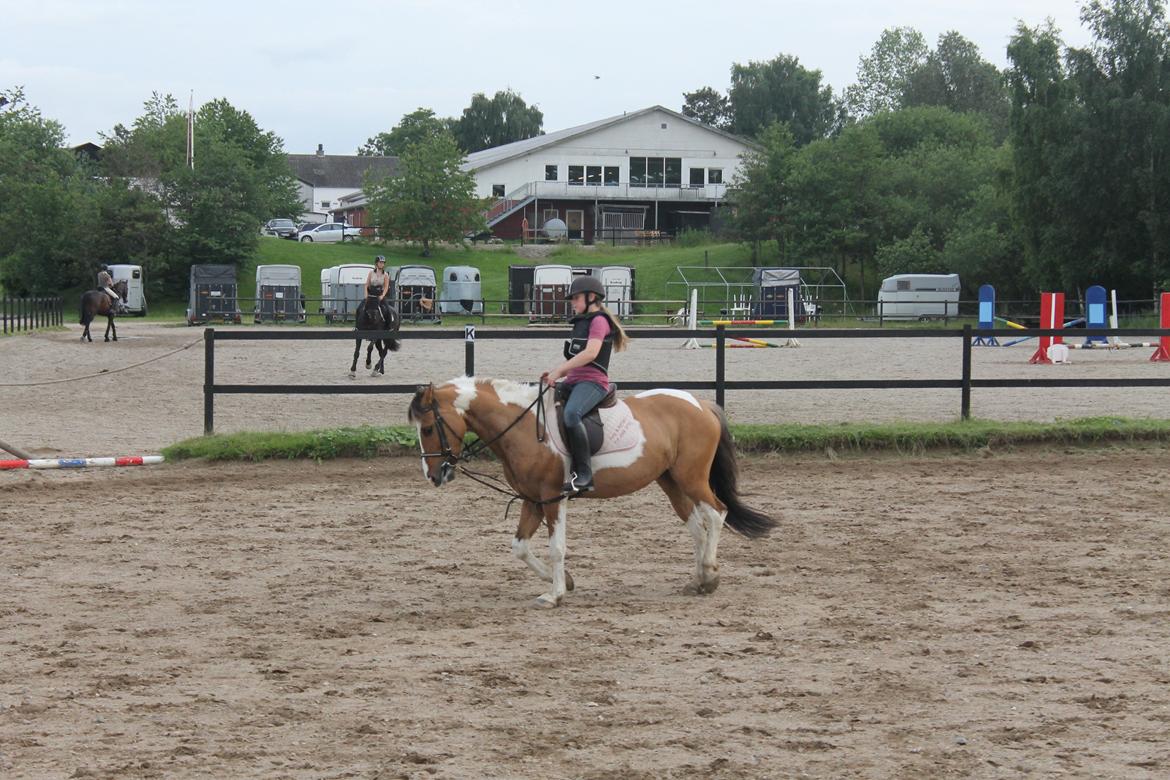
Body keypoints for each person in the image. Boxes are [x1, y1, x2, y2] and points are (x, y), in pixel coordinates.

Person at [541, 276, 629, 495]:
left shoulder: (599, 321)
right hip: (574, 381)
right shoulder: (581, 322)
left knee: (572, 414)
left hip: (593, 382)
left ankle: (584, 475)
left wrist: (559, 371)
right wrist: (554, 374)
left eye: (576, 298)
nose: (573, 303)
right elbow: (576, 358)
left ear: (592, 298)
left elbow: (591, 354)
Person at [364, 256, 393, 326]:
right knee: (361, 308)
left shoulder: (385, 275)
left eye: (383, 263)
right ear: (377, 263)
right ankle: (358, 327)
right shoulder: (371, 273)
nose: (382, 264)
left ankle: (389, 326)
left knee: (388, 310)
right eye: (380, 262)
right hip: (371, 295)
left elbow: (386, 287)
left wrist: (382, 296)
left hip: (380, 295)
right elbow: (366, 285)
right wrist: (366, 295)